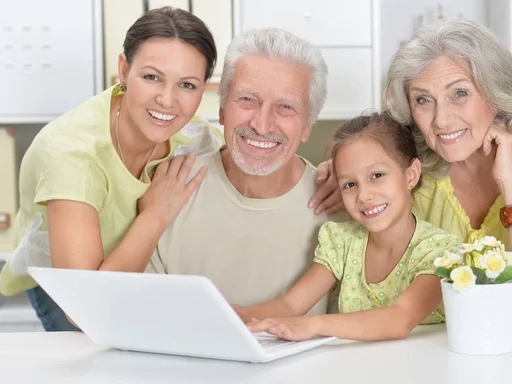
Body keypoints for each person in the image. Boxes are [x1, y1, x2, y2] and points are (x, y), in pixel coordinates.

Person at [0, 8, 339, 331]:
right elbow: (85, 308)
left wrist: (347, 178)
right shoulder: (71, 154)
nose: (167, 100)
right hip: (69, 286)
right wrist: (155, 215)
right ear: (123, 69)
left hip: (130, 276)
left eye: (187, 85)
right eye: (152, 77)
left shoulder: (191, 136)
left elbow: (253, 141)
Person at [381, 19, 512, 324]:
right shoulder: (409, 157)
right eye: (423, 99)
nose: (441, 120)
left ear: (497, 91)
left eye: (460, 93)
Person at [146, 27, 346, 314]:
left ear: (307, 127)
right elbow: (142, 318)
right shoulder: (168, 187)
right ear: (223, 110)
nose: (262, 125)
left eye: (286, 107)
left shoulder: (338, 207)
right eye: (248, 100)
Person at [235, 112, 461, 341]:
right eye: (350, 184)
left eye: (377, 175)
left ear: (411, 175)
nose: (363, 195)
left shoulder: (440, 252)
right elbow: (291, 306)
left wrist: (314, 324)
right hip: (352, 371)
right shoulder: (342, 241)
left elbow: (399, 319)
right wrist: (240, 315)